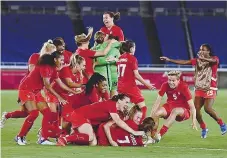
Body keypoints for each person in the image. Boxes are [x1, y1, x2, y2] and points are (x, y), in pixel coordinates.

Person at [160, 44, 227, 138]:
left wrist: (203, 59)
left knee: (207, 108)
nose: (201, 51)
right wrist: (169, 60)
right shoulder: (197, 61)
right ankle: (204, 128)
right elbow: (184, 62)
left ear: (208, 51)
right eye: (200, 49)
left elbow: (214, 61)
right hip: (199, 88)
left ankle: (222, 124)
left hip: (210, 88)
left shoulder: (214, 59)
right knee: (196, 109)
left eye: (203, 50)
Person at [13, 51, 78, 145]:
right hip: (26, 89)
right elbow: (47, 86)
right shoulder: (46, 67)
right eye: (61, 60)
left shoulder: (53, 69)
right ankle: (20, 136)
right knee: (34, 113)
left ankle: (43, 138)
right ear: (55, 59)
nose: (63, 62)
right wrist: (59, 97)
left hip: (35, 92)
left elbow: (60, 83)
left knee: (48, 113)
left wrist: (74, 92)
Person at [0, 40, 56, 129]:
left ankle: (6, 115)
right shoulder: (35, 57)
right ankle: (22, 136)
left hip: (36, 90)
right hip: (28, 87)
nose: (53, 56)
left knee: (29, 113)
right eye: (51, 53)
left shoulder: (49, 63)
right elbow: (32, 71)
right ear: (46, 51)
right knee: (33, 113)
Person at [56, 94, 145, 146]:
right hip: (80, 116)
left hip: (86, 120)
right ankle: (65, 139)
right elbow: (118, 121)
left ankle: (70, 135)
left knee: (93, 143)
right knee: (90, 137)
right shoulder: (112, 105)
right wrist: (134, 132)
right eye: (126, 102)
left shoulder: (116, 110)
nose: (127, 105)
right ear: (119, 101)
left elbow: (110, 124)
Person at [150, 71, 197, 142]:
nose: (171, 82)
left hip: (183, 111)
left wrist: (193, 120)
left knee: (175, 110)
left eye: (173, 81)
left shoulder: (184, 87)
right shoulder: (165, 85)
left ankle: (159, 135)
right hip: (169, 106)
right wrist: (152, 116)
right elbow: (157, 101)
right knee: (157, 113)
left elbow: (192, 107)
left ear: (178, 80)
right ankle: (153, 136)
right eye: (169, 80)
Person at [115, 40, 155, 120]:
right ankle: (139, 128)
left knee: (125, 108)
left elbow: (123, 73)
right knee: (142, 107)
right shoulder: (132, 59)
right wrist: (147, 84)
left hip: (120, 86)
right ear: (131, 49)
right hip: (129, 87)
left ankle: (122, 125)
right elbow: (136, 75)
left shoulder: (120, 58)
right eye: (134, 47)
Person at [92, 31, 121, 97]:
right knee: (112, 97)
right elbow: (120, 61)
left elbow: (95, 62)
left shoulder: (93, 50)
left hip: (104, 77)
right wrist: (114, 60)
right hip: (112, 76)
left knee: (103, 98)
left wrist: (97, 63)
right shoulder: (115, 49)